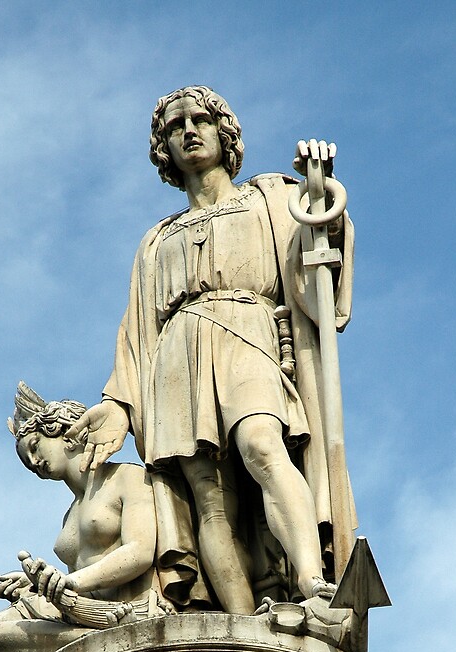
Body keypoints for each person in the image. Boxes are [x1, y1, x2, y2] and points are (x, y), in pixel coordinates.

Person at [66, 87, 355, 614]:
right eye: (175, 127)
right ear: (165, 149)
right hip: (177, 356)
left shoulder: (270, 198)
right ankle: (243, 620)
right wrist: (120, 403)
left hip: (247, 331)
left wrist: (318, 190)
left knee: (263, 445)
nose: (189, 132)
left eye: (199, 120)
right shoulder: (157, 239)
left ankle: (311, 580)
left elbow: (319, 251)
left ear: (224, 133)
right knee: (210, 500)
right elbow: (137, 330)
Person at [0, 384, 158, 652]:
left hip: (117, 608)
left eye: (35, 447)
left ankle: (103, 646)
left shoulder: (127, 477)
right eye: (27, 462)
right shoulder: (70, 514)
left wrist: (70, 584)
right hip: (75, 609)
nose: (34, 462)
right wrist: (36, 584)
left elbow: (140, 551)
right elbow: (76, 574)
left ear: (63, 431)